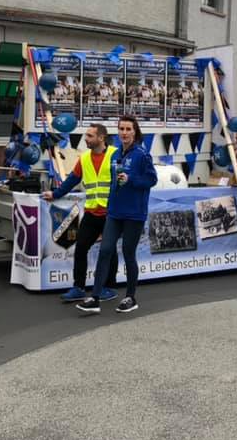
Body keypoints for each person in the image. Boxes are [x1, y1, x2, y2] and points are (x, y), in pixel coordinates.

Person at [78, 115, 157, 314]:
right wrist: (111, 202)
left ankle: (130, 297)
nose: (124, 133)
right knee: (105, 250)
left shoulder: (142, 154)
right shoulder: (114, 154)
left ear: (135, 132)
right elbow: (114, 182)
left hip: (134, 213)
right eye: (121, 129)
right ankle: (95, 297)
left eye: (128, 129)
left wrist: (131, 179)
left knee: (128, 253)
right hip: (114, 212)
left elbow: (151, 180)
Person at [42, 124, 119, 302]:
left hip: (110, 213)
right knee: (81, 248)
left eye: (90, 136)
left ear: (101, 138)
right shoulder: (84, 158)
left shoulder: (115, 154)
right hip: (91, 211)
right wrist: (55, 194)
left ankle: (109, 287)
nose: (86, 138)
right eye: (86, 135)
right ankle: (78, 288)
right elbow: (72, 180)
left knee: (109, 251)